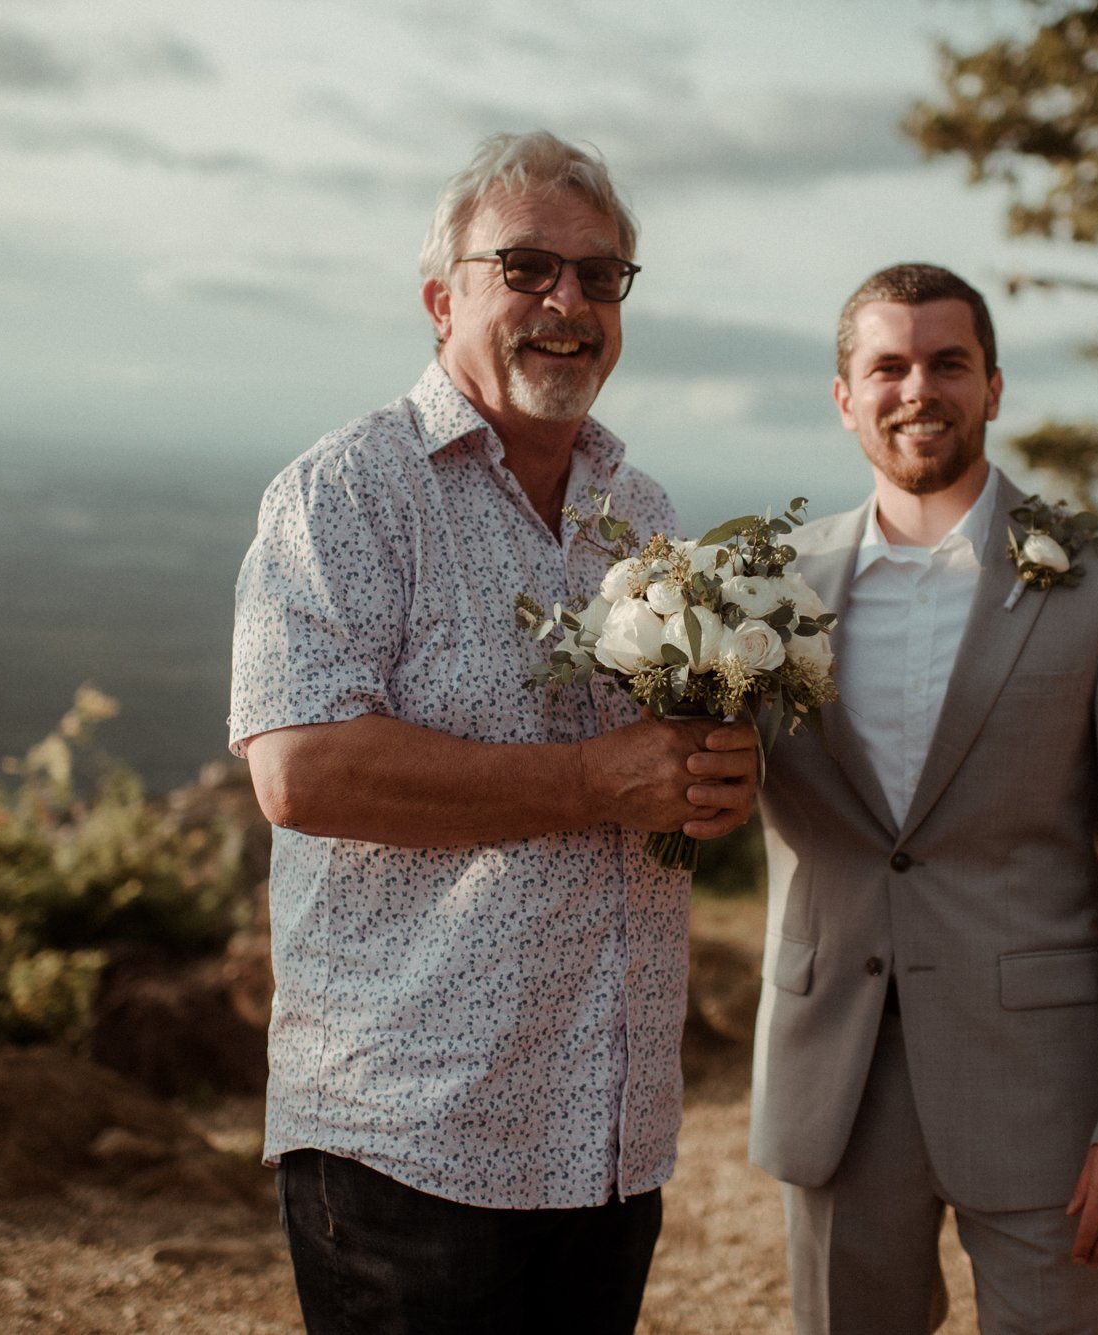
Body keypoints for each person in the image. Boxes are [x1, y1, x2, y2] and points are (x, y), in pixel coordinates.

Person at [227, 131, 758, 1335]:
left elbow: (657, 766)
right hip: (412, 1134)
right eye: (524, 268)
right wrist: (595, 780)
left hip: (607, 1132)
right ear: (440, 297)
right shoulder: (345, 491)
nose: (565, 301)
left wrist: (715, 776)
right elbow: (299, 773)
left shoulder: (644, 511)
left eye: (599, 275)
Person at [745, 263, 1098, 1334]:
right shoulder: (768, 590)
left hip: (1041, 1089)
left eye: (947, 363)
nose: (919, 390)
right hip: (835, 1081)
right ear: (844, 397)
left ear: (992, 387)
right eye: (888, 367)